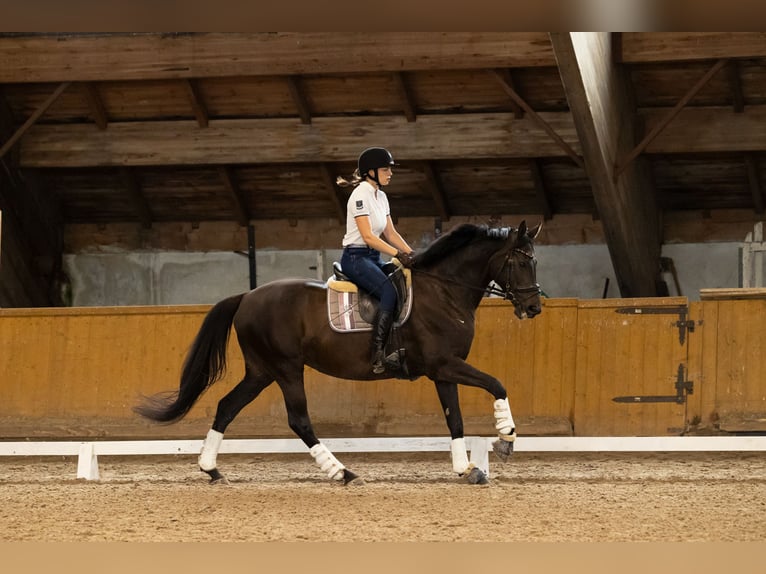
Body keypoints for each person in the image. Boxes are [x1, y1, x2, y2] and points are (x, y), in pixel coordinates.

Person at [338, 147, 415, 374]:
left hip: (373, 257)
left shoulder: (381, 196)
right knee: (388, 293)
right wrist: (396, 254)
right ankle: (377, 353)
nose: (390, 173)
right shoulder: (359, 196)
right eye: (385, 169)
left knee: (402, 280)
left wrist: (412, 254)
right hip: (355, 258)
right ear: (370, 172)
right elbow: (369, 237)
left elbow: (391, 233)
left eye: (390, 169)